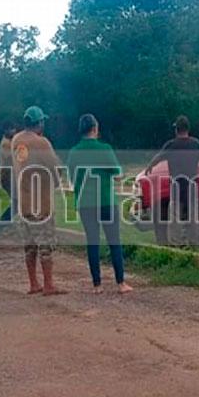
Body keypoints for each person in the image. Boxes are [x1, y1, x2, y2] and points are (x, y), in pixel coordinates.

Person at [67, 114, 132, 294]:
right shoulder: (105, 149)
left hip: (85, 203)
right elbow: (117, 175)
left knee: (92, 241)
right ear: (95, 129)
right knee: (114, 241)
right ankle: (120, 283)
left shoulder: (74, 152)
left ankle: (97, 284)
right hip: (106, 201)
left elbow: (72, 178)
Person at [12, 106, 67, 296]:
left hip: (24, 202)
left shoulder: (16, 140)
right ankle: (49, 284)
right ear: (40, 122)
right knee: (46, 245)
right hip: (41, 202)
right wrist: (57, 182)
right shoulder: (42, 143)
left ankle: (33, 283)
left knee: (29, 246)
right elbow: (55, 168)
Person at [144, 115, 199, 245]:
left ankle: (175, 242)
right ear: (188, 129)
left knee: (175, 215)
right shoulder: (196, 144)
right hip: (192, 184)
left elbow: (158, 158)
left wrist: (149, 167)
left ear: (176, 130)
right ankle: (193, 242)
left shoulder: (171, 145)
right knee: (193, 214)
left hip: (176, 185)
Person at [0, 121, 19, 230]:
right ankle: (2, 223)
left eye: (14, 128)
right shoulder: (6, 143)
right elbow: (12, 156)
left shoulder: (10, 142)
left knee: (17, 202)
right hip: (6, 176)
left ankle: (3, 223)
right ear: (6, 130)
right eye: (11, 129)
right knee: (17, 202)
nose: (14, 131)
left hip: (10, 176)